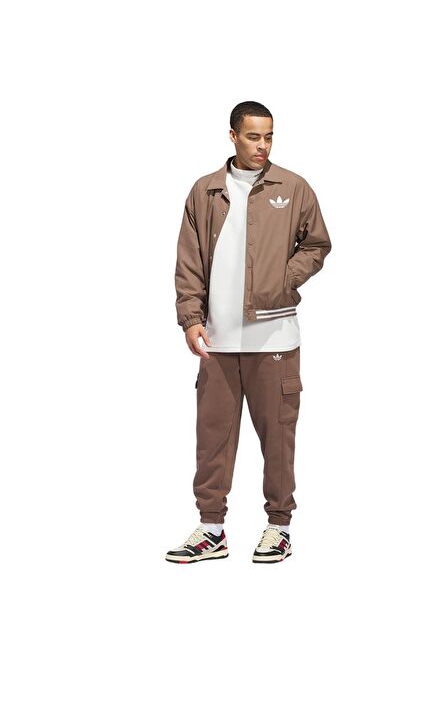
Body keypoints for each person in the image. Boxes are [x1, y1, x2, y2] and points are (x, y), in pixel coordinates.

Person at [165, 101, 332, 564]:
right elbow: (188, 260)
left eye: (269, 137)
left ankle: (279, 527)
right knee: (212, 438)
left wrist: (284, 278)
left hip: (275, 338)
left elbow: (317, 244)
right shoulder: (206, 191)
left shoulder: (292, 187)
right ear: (233, 136)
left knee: (277, 439)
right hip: (217, 341)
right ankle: (211, 530)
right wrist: (190, 318)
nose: (263, 146)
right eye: (254, 136)